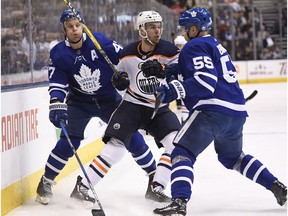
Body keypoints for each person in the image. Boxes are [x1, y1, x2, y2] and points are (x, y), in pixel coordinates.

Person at [153, 7, 287, 215]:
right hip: (236, 113)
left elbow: (205, 81)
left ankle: (179, 202)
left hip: (211, 110)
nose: (183, 33)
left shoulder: (194, 45)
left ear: (194, 29)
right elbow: (200, 70)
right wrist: (167, 70)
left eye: (185, 29)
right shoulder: (214, 44)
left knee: (181, 151)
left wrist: (174, 89)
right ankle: (276, 186)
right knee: (233, 158)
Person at [35, 9, 163, 205]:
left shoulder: (101, 43)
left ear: (83, 25)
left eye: (78, 25)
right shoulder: (59, 53)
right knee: (69, 143)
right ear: (64, 29)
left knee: (131, 137)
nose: (75, 30)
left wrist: (124, 75)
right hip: (79, 102)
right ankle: (46, 181)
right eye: (70, 27)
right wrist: (55, 102)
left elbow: (127, 59)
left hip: (108, 99)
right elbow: (57, 83)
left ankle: (154, 178)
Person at [71, 10, 182, 204]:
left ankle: (157, 187)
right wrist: (118, 81)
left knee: (176, 145)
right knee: (116, 147)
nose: (157, 30)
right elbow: (118, 79)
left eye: (159, 26)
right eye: (152, 27)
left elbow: (181, 75)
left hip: (159, 108)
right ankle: (83, 186)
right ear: (142, 30)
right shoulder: (127, 53)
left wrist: (164, 70)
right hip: (132, 106)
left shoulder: (170, 50)